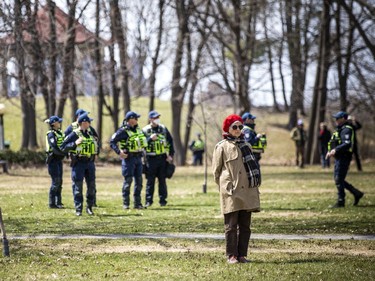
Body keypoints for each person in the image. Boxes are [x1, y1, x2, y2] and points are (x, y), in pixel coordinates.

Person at [212, 114, 261, 264]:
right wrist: (226, 186)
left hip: (248, 191)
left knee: (245, 226)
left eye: (240, 126)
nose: (238, 129)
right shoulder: (221, 147)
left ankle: (242, 255)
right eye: (235, 127)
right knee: (231, 225)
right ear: (228, 128)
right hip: (231, 191)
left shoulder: (247, 145)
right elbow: (216, 172)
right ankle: (231, 255)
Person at [60, 113, 98, 216]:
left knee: (91, 186)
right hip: (79, 163)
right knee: (78, 186)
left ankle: (89, 207)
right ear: (83, 122)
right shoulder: (74, 134)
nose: (89, 123)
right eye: (88, 122)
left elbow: (96, 147)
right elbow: (62, 147)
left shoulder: (90, 134)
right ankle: (78, 208)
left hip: (90, 163)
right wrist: (75, 143)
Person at [110, 111, 147, 210]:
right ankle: (126, 203)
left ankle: (137, 204)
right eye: (136, 118)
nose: (137, 120)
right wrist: (119, 152)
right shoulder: (123, 131)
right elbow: (112, 141)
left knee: (139, 181)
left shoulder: (139, 130)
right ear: (131, 119)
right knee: (128, 181)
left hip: (138, 158)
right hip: (128, 159)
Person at [326, 111, 364, 208]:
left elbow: (347, 143)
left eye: (337, 118)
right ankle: (356, 193)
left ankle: (341, 201)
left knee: (339, 179)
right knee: (338, 179)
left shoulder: (347, 129)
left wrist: (336, 149)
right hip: (339, 157)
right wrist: (330, 150)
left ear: (343, 118)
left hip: (344, 157)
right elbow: (333, 141)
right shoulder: (339, 129)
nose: (336, 120)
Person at [142, 110, 174, 207]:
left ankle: (163, 201)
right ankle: (148, 201)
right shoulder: (145, 130)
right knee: (150, 181)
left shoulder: (163, 129)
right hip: (151, 158)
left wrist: (171, 155)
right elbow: (142, 144)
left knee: (162, 180)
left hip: (162, 158)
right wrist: (150, 139)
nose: (157, 119)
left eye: (158, 117)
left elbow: (170, 141)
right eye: (155, 118)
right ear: (150, 119)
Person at [45, 115, 67, 209]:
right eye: (58, 122)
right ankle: (52, 203)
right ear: (54, 124)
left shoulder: (59, 133)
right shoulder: (51, 134)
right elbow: (54, 147)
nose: (60, 123)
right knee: (55, 181)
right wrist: (63, 152)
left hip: (59, 160)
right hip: (53, 160)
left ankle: (59, 202)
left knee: (60, 181)